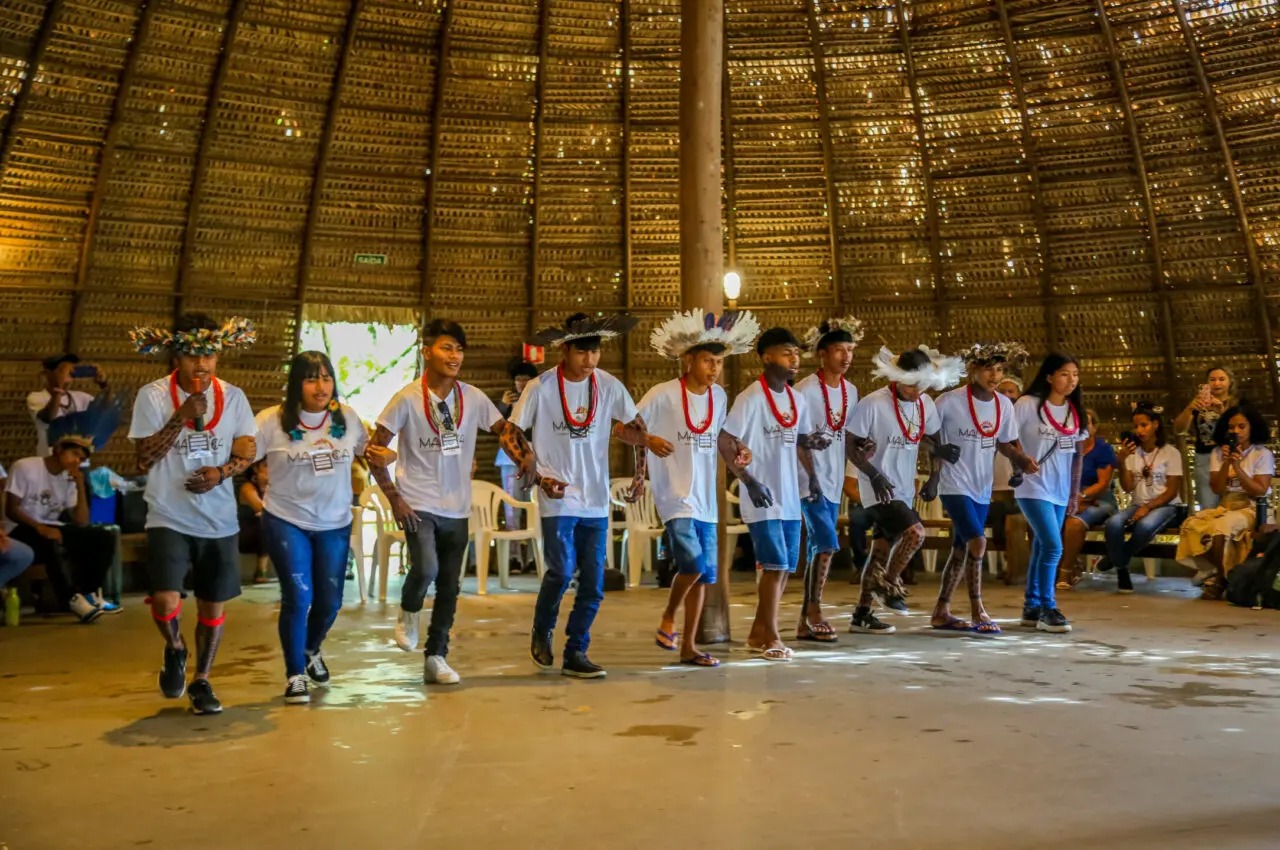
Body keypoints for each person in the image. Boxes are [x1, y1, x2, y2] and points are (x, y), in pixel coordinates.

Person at [368, 320, 529, 686]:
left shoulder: (471, 397)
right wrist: (395, 500)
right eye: (446, 348)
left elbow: (503, 431)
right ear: (426, 352)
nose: (454, 356)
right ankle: (408, 610)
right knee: (424, 569)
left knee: (450, 586)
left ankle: (436, 656)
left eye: (459, 349)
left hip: (457, 506)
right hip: (417, 503)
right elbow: (374, 452)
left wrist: (527, 458)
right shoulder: (407, 397)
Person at [508, 312, 655, 679]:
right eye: (582, 353)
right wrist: (537, 475)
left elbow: (638, 429)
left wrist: (640, 476)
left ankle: (577, 650)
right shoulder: (540, 387)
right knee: (559, 569)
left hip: (595, 498)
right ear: (566, 351)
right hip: (557, 494)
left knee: (594, 580)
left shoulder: (609, 386)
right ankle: (543, 629)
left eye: (595, 353)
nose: (590, 361)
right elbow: (511, 433)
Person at [128, 314, 259, 715]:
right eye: (191, 355)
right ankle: (175, 647)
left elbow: (247, 450)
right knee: (167, 599)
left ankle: (202, 680)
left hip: (219, 520)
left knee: (211, 605)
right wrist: (181, 416)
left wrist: (221, 472)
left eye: (210, 355)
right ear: (176, 356)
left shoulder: (234, 397)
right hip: (168, 514)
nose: (201, 364)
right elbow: (142, 460)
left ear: (219, 355)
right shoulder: (152, 396)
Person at [641, 309, 759, 667]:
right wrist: (649, 439)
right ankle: (668, 616)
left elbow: (720, 438)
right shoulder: (663, 394)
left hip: (707, 501)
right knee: (691, 563)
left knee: (704, 576)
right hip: (674, 497)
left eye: (719, 363)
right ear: (689, 359)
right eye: (708, 361)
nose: (714, 369)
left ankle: (688, 646)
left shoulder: (719, 398)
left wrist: (741, 450)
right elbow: (623, 428)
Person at [255, 351, 375, 704]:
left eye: (326, 378)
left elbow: (371, 452)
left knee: (331, 601)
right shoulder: (270, 421)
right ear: (296, 384)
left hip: (335, 523)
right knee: (298, 597)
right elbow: (243, 455)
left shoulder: (348, 418)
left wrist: (393, 474)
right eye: (311, 378)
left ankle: (310, 648)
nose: (321, 386)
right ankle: (294, 674)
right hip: (285, 519)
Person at [721, 327, 830, 660]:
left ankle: (758, 633)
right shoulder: (751, 397)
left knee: (783, 569)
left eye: (796, 352)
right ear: (766, 357)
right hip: (763, 496)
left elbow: (797, 439)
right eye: (786, 352)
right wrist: (749, 482)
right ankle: (772, 637)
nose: (794, 358)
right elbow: (726, 441)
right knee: (773, 565)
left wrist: (812, 477)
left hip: (789, 495)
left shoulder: (796, 399)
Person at [846, 346, 963, 634]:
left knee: (880, 552)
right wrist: (873, 474)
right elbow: (849, 444)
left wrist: (935, 477)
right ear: (896, 377)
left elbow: (933, 440)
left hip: (903, 486)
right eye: (910, 384)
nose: (916, 390)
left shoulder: (925, 404)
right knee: (916, 533)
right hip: (878, 489)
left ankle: (862, 614)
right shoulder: (873, 403)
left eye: (922, 384)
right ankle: (888, 585)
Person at [933, 343, 1036, 635]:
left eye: (1000, 369)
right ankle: (978, 609)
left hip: (981, 485)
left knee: (961, 547)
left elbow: (1005, 442)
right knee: (978, 542)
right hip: (953, 484)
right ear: (973, 370)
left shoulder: (1004, 405)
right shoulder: (948, 402)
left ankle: (941, 610)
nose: (994, 375)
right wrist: (937, 454)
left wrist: (1020, 460)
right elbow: (925, 434)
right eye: (988, 368)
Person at [5, 398, 121, 623]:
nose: (78, 461)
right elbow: (11, 509)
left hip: (51, 527)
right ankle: (71, 600)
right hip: (20, 528)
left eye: (82, 459)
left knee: (102, 536)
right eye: (75, 455)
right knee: (52, 540)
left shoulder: (71, 477)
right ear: (58, 449)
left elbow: (81, 521)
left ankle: (89, 593)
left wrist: (79, 485)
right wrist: (39, 527)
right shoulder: (26, 466)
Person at [792, 316, 864, 642]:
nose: (846, 356)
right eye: (838, 350)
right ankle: (815, 610)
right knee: (827, 544)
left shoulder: (851, 390)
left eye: (850, 349)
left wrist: (862, 447)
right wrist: (811, 476)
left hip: (834, 480)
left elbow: (847, 436)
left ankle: (803, 623)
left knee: (817, 549)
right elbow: (793, 437)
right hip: (810, 480)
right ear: (823, 353)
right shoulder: (804, 391)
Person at [1012, 353, 1087, 634]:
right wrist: (1020, 460)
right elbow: (1007, 437)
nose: (1071, 380)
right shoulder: (1027, 405)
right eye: (1065, 374)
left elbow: (1077, 455)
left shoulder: (1073, 410)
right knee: (1054, 546)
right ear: (1048, 376)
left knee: (1044, 546)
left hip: (1059, 488)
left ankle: (1031, 607)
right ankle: (1047, 606)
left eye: (1075, 375)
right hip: (1032, 486)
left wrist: (1073, 493)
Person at [1175, 405, 1274, 600]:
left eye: (1241, 426)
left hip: (1251, 507)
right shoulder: (1218, 453)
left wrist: (1237, 466)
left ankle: (1221, 579)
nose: (1235, 431)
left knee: (1221, 528)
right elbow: (1217, 489)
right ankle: (1223, 574)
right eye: (1231, 427)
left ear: (1251, 427)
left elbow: (1260, 490)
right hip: (1226, 505)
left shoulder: (1262, 454)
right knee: (1193, 525)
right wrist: (1227, 462)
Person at [1098, 401, 1186, 593]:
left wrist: (1148, 507)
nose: (1139, 430)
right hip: (1137, 503)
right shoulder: (1131, 453)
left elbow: (1171, 491)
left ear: (1155, 425)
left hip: (1167, 505)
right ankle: (1122, 566)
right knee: (1113, 524)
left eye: (1144, 425)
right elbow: (1129, 487)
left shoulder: (1171, 453)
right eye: (1136, 426)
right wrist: (1121, 463)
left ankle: (1117, 560)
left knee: (1145, 526)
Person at [1056, 409, 1117, 589]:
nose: (1081, 427)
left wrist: (1081, 497)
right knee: (1046, 519)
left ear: (1094, 427)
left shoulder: (1102, 449)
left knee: (1074, 524)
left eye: (1086, 423)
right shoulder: (1067, 447)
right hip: (1070, 498)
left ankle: (1065, 572)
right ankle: (1068, 565)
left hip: (1099, 499)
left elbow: (1103, 483)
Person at [495, 358, 539, 573]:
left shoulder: (540, 399)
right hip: (509, 457)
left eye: (525, 379)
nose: (521, 383)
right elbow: (496, 427)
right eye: (518, 379)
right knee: (511, 508)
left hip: (536, 457)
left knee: (536, 508)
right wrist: (504, 406)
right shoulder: (507, 400)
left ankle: (534, 558)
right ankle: (513, 558)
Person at [1173, 366, 1238, 510]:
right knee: (1208, 505)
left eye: (1222, 379)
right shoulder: (1198, 404)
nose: (1217, 383)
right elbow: (1179, 429)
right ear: (1206, 383)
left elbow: (1240, 429)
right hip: (1204, 457)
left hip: (1230, 456)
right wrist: (1190, 409)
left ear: (1230, 382)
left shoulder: (1237, 404)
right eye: (1212, 379)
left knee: (1232, 503)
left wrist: (1223, 411)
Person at [28, 353, 109, 456]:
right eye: (63, 369)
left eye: (72, 369)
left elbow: (107, 407)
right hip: (50, 461)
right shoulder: (36, 397)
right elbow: (49, 417)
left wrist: (104, 385)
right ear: (48, 373)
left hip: (79, 462)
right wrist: (59, 386)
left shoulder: (81, 397)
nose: (69, 372)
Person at [987, 377, 1023, 569]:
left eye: (1011, 392)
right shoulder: (987, 417)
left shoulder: (1023, 420)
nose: (1007, 396)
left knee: (1009, 513)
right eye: (1003, 392)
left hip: (1017, 489)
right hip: (991, 485)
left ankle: (1014, 565)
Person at [237, 461, 273, 583]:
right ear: (255, 468)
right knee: (267, 523)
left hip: (262, 534)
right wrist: (265, 488)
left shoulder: (278, 486)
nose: (271, 469)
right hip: (243, 534)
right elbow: (260, 508)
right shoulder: (248, 487)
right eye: (266, 465)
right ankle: (260, 571)